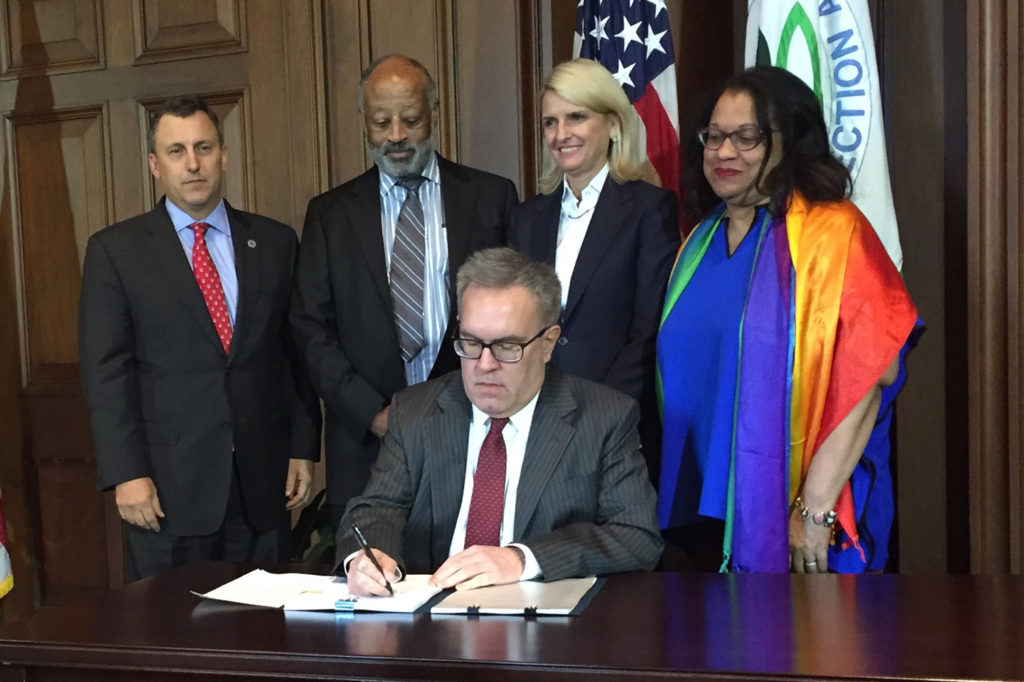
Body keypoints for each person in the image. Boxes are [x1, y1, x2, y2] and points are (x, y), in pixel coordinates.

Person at [657, 66, 918, 574]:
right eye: (713, 136)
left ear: (790, 142)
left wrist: (814, 511)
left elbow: (873, 374)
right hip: (702, 519)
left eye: (746, 137)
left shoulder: (831, 232)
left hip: (804, 519)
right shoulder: (700, 242)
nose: (723, 152)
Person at [78, 96, 321, 581]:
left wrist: (303, 446)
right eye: (176, 151)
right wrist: (127, 473)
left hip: (263, 484)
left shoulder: (275, 243)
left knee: (265, 635)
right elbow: (107, 373)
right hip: (167, 491)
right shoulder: (116, 252)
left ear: (223, 155)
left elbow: (293, 355)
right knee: (172, 637)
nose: (192, 163)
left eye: (203, 147)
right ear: (155, 165)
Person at [338, 248, 662, 596]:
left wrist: (523, 559)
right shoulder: (416, 411)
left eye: (507, 346)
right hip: (429, 622)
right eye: (472, 343)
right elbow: (378, 508)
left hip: (547, 630)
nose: (485, 364)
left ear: (548, 343)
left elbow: (636, 535)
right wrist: (367, 557)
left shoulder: (603, 417)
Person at [291, 54, 517, 532]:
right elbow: (310, 330)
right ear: (365, 123)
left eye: (410, 119)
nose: (396, 134)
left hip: (473, 434)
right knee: (373, 589)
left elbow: (514, 317)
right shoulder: (330, 216)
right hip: (366, 449)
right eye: (381, 121)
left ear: (434, 113)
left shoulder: (491, 198)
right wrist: (372, 412)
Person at [510, 58, 679, 481]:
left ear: (614, 125)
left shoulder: (648, 209)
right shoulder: (527, 218)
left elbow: (648, 332)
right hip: (533, 423)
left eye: (576, 117)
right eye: (550, 122)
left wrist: (598, 421)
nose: (561, 134)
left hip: (616, 429)